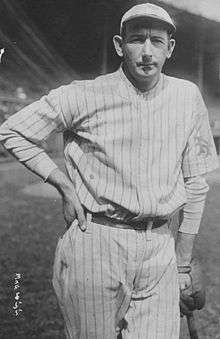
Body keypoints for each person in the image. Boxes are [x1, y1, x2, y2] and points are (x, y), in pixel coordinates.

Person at [0, 3, 218, 339]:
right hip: (97, 242)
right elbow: (12, 131)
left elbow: (196, 184)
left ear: (170, 48)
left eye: (156, 41)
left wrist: (184, 262)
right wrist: (63, 184)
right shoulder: (83, 94)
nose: (147, 52)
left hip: (159, 244)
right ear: (119, 44)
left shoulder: (187, 97)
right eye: (137, 40)